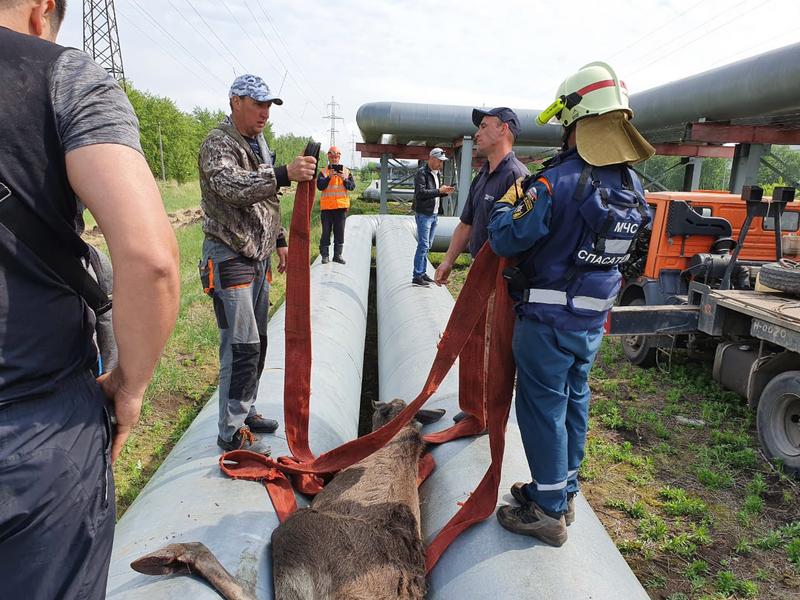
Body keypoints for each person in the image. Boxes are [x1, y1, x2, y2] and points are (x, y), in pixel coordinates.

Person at [0, 1, 180, 597]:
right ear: (42, 11)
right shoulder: (60, 76)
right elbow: (151, 260)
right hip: (33, 434)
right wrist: (129, 388)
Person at [488, 62, 654, 546]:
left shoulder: (554, 183)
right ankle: (563, 489)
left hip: (547, 318)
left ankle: (547, 510)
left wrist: (504, 204)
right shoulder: (632, 186)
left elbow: (506, 238)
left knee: (542, 408)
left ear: (575, 120)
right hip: (591, 319)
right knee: (575, 400)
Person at [199, 74, 316, 454]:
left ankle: (244, 410)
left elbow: (267, 200)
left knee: (258, 343)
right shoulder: (218, 144)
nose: (265, 112)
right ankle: (230, 433)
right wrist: (284, 173)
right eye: (258, 104)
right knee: (240, 346)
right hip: (229, 255)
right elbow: (233, 188)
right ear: (236, 102)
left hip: (257, 257)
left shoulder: (258, 142)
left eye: (269, 106)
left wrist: (279, 240)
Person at [434, 107, 528, 423]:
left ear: (503, 130)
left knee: (494, 344)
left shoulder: (516, 177)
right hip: (478, 273)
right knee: (474, 340)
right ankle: (476, 406)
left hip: (501, 277)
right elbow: (466, 224)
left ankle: (491, 410)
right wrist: (447, 261)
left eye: (484, 126)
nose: (477, 133)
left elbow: (521, 236)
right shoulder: (483, 175)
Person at [411, 147, 454, 286]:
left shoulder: (436, 173)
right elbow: (420, 193)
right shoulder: (421, 173)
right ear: (432, 159)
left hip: (434, 214)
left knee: (427, 245)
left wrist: (443, 192)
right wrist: (438, 191)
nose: (441, 164)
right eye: (439, 161)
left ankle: (422, 273)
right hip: (424, 214)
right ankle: (417, 275)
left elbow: (433, 193)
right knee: (423, 245)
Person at [317, 146, 355, 264]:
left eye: (336, 157)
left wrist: (344, 179)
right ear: (328, 157)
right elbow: (320, 186)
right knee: (326, 232)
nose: (334, 159)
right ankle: (325, 256)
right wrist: (329, 177)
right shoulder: (323, 172)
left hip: (340, 207)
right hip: (327, 208)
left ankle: (337, 256)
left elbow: (352, 187)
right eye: (332, 157)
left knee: (339, 233)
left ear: (339, 158)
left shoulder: (346, 171)